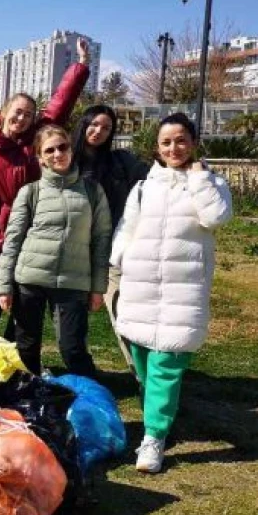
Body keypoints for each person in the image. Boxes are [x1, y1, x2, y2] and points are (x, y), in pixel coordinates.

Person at [110, 113, 232, 474]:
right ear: (157, 147)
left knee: (167, 362)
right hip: (140, 284)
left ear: (193, 143)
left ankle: (154, 437)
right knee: (144, 360)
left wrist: (198, 179)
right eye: (166, 142)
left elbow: (217, 217)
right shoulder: (144, 187)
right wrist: (119, 261)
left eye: (180, 140)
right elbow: (126, 229)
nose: (173, 148)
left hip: (182, 290)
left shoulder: (211, 183)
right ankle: (158, 418)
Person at [0, 38, 92, 338]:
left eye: (28, 114)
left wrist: (81, 67)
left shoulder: (36, 139)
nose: (22, 118)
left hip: (39, 230)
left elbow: (60, 104)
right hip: (5, 233)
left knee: (25, 296)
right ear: (4, 112)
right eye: (17, 111)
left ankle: (14, 352)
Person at [0, 125, 111, 376]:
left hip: (73, 281)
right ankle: (26, 398)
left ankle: (89, 402)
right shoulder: (30, 192)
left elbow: (102, 241)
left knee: (73, 348)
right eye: (50, 150)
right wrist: (3, 285)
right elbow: (12, 240)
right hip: (30, 280)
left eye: (63, 147)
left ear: (71, 148)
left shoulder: (92, 191)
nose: (58, 154)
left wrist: (98, 287)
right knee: (26, 347)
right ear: (40, 157)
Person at [70, 105, 150, 377]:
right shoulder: (66, 161)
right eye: (93, 124)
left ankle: (141, 376)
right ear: (83, 125)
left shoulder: (121, 161)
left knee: (123, 314)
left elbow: (154, 178)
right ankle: (82, 375)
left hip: (111, 253)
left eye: (106, 127)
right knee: (72, 321)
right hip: (74, 253)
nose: (98, 131)